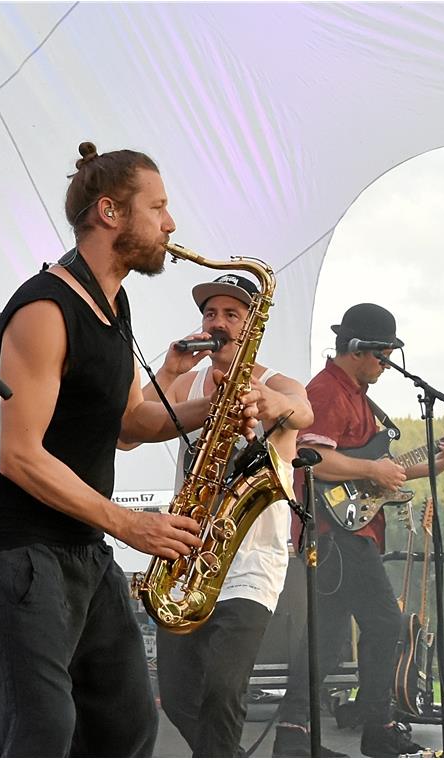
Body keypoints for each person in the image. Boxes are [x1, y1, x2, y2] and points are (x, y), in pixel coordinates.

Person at [0, 141, 261, 757]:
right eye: (159, 207)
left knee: (125, 725)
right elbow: (18, 455)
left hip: (80, 545)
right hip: (19, 548)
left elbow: (127, 424)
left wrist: (219, 406)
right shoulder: (46, 307)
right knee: (42, 734)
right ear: (110, 212)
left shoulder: (114, 303)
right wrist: (131, 525)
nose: (171, 224)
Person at [271, 303, 444, 758]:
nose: (386, 364)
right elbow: (309, 457)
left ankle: (295, 734)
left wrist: (427, 468)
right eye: (382, 355)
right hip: (339, 535)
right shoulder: (327, 391)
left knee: (327, 638)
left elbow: (368, 476)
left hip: (347, 531)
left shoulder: (354, 393)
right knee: (384, 623)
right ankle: (378, 726)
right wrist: (372, 469)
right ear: (357, 350)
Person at [150, 274, 313, 757]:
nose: (217, 322)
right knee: (178, 696)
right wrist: (168, 369)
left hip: (250, 563)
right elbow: (131, 429)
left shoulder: (276, 383)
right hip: (189, 556)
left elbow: (302, 412)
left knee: (222, 689)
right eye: (210, 313)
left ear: (251, 327)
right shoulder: (188, 384)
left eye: (231, 314)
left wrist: (269, 402)